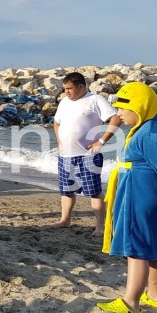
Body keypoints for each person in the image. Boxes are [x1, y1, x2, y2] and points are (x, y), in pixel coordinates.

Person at [96, 82, 157, 313]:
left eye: (122, 109)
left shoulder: (150, 135)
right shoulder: (148, 127)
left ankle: (131, 302)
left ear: (140, 107)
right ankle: (155, 296)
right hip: (148, 195)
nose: (118, 114)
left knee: (136, 248)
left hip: (139, 196)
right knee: (153, 246)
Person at [51, 72, 121, 236]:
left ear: (82, 86)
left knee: (93, 191)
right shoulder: (64, 102)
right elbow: (56, 123)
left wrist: (101, 141)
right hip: (65, 155)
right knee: (66, 190)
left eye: (70, 88)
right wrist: (59, 141)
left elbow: (116, 119)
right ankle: (65, 220)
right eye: (65, 89)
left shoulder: (95, 99)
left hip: (87, 155)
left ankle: (100, 226)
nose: (66, 92)